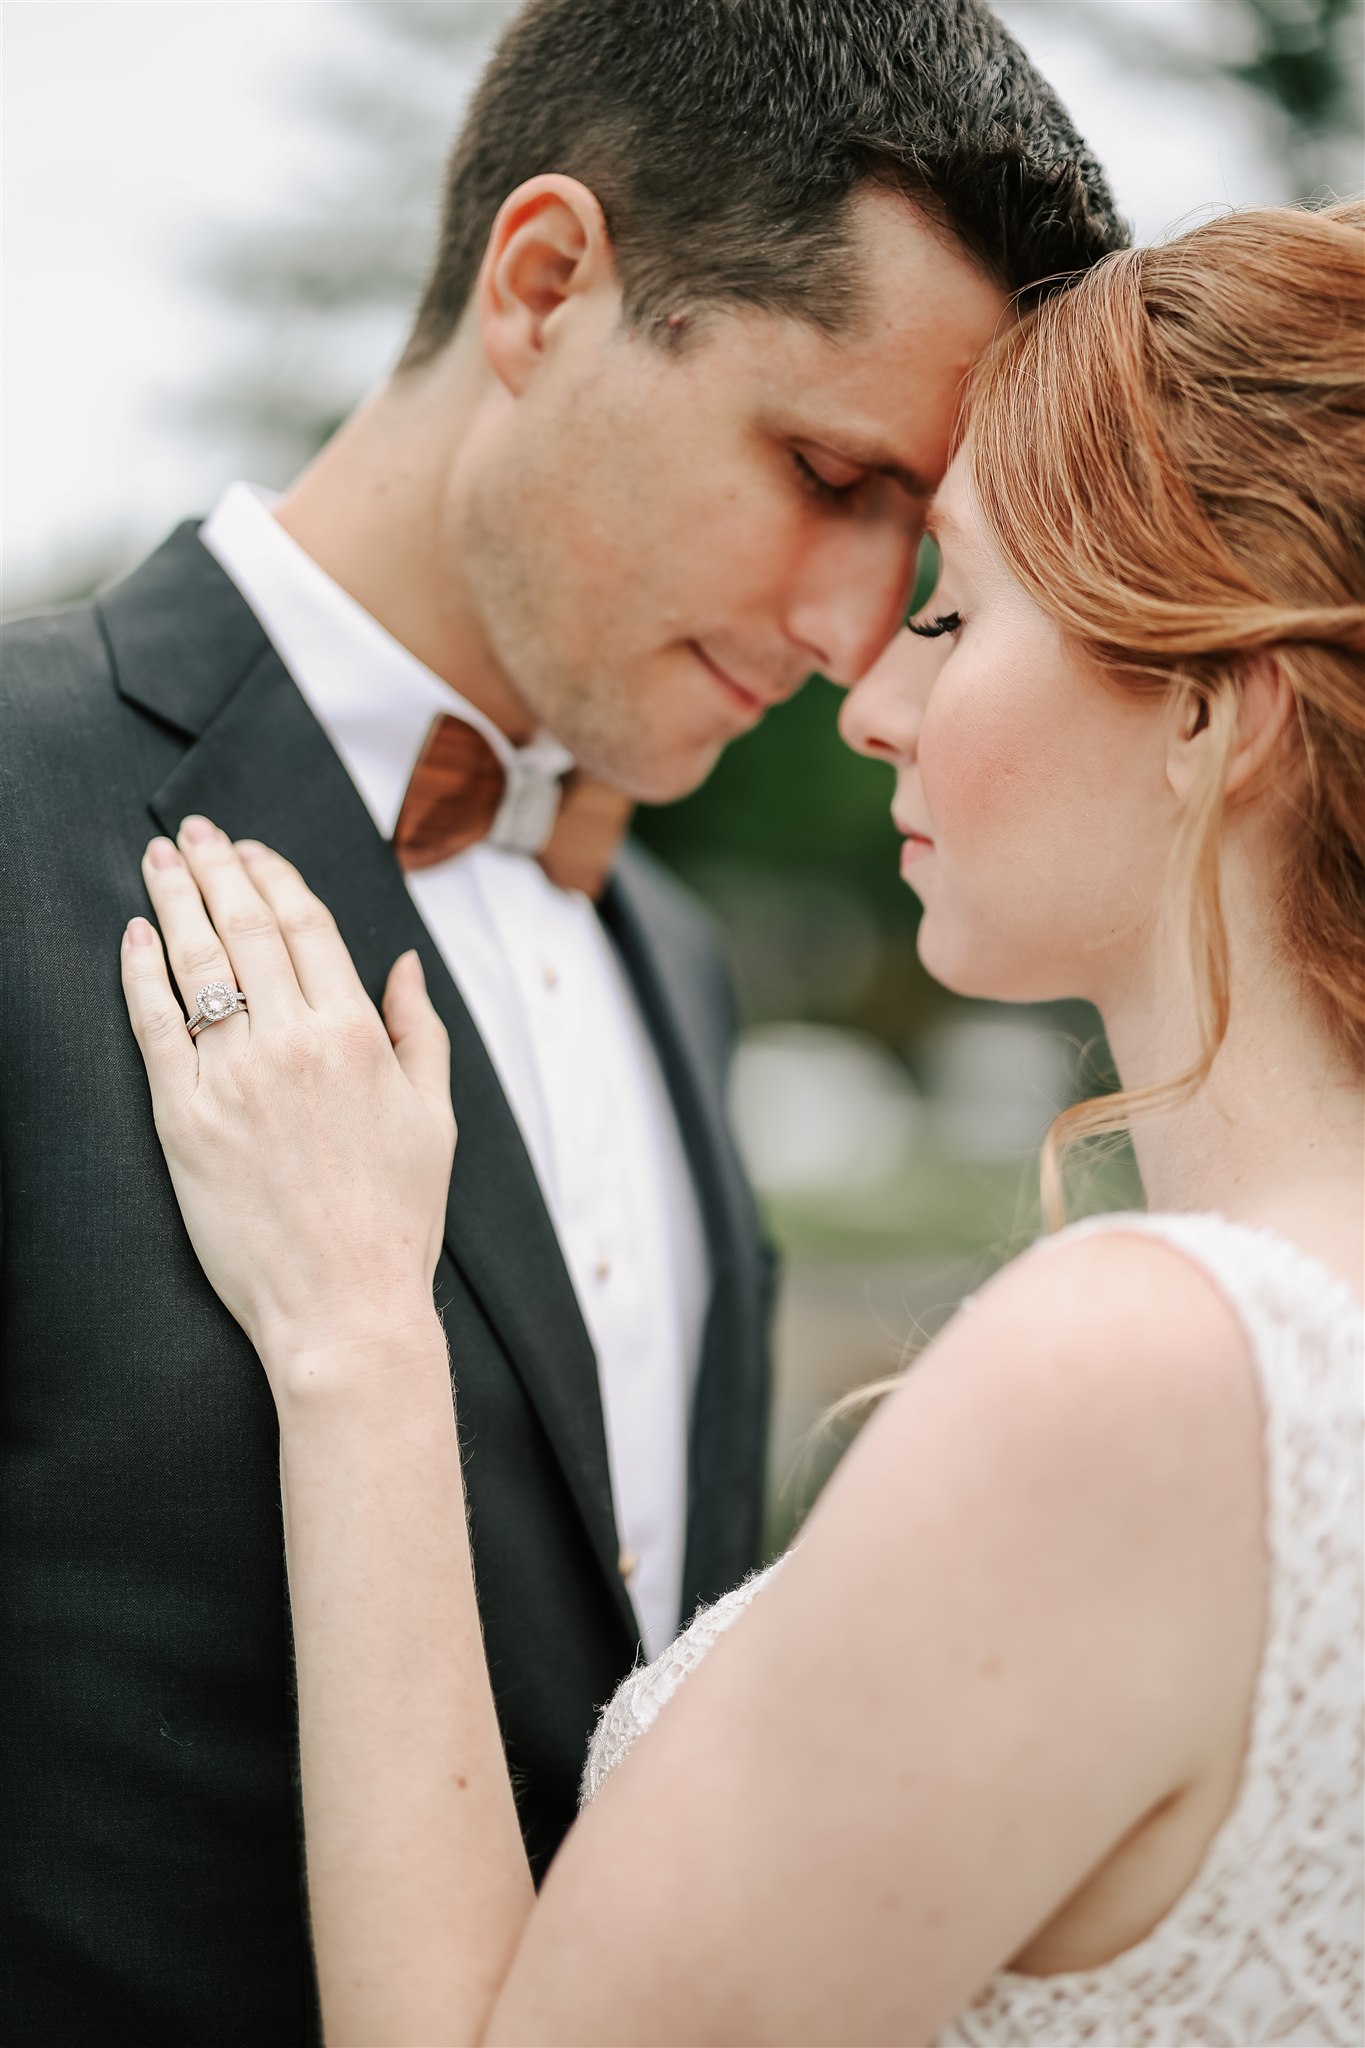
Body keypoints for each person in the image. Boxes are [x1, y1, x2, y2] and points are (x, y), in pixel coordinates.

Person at [120, 196, 1363, 2046]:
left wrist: (359, 1333)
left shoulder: (1142, 1374)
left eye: (949, 604)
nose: (868, 697)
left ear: (1210, 713)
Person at [0, 1, 1123, 2039]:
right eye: (822, 470)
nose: (851, 633)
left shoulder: (672, 966)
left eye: (918, 537)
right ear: (542, 284)